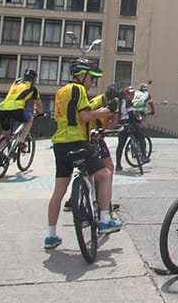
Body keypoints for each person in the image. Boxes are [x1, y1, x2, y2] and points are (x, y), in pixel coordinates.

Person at [45, 59, 122, 250]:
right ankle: (105, 219)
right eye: (90, 78)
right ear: (81, 75)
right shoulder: (79, 90)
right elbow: (85, 116)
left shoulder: (61, 91)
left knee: (59, 191)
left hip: (60, 144)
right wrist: (106, 110)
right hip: (78, 141)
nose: (92, 82)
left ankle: (51, 235)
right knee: (105, 176)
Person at [0, 68, 44, 148]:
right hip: (16, 110)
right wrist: (41, 113)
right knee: (30, 119)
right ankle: (21, 140)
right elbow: (38, 103)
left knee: (5, 134)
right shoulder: (32, 88)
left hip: (3, 109)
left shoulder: (16, 83)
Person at [115, 85, 149, 171]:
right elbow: (131, 115)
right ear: (126, 95)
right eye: (130, 94)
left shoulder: (120, 103)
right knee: (141, 137)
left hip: (121, 125)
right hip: (129, 124)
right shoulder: (129, 103)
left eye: (133, 94)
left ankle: (118, 165)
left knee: (120, 146)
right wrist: (138, 121)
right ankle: (144, 156)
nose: (132, 95)